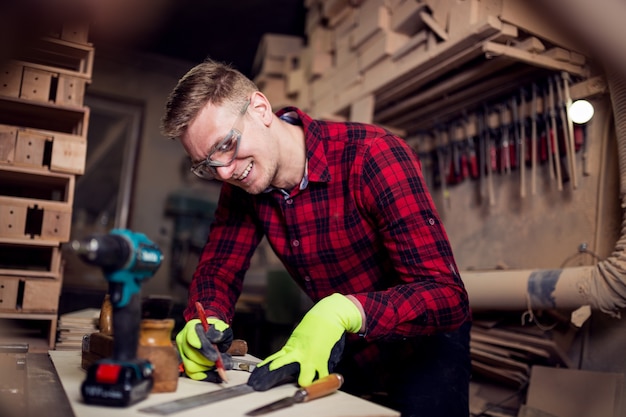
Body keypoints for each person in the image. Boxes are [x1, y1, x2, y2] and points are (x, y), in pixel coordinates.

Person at [161, 59, 472, 417]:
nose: (225, 171)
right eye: (206, 165)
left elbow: (447, 296)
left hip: (424, 349)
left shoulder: (373, 155)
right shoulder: (240, 181)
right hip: (348, 346)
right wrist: (208, 319)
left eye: (227, 144)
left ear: (260, 109)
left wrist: (346, 309)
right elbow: (219, 268)